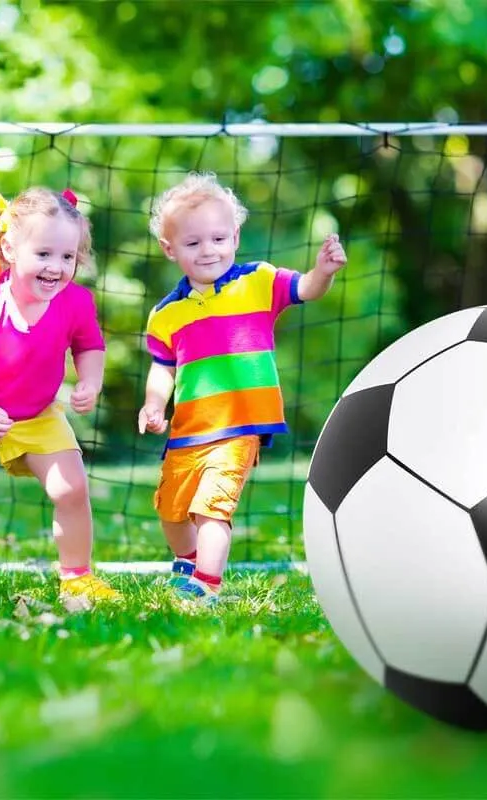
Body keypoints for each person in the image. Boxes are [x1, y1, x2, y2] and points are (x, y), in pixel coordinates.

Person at [138, 172, 347, 607]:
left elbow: (307, 289)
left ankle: (206, 585)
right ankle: (189, 562)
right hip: (188, 431)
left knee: (212, 508)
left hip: (239, 427)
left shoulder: (259, 282)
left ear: (234, 236)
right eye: (193, 243)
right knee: (172, 512)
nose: (208, 249)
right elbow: (162, 367)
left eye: (218, 238)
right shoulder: (165, 314)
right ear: (169, 248)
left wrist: (322, 271)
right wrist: (154, 404)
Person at [0, 187, 121, 604]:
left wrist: (90, 382)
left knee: (71, 487)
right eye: (44, 254)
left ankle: (77, 576)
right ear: (9, 248)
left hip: (37, 414)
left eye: (67, 257)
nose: (56, 267)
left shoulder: (76, 302)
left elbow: (89, 346)